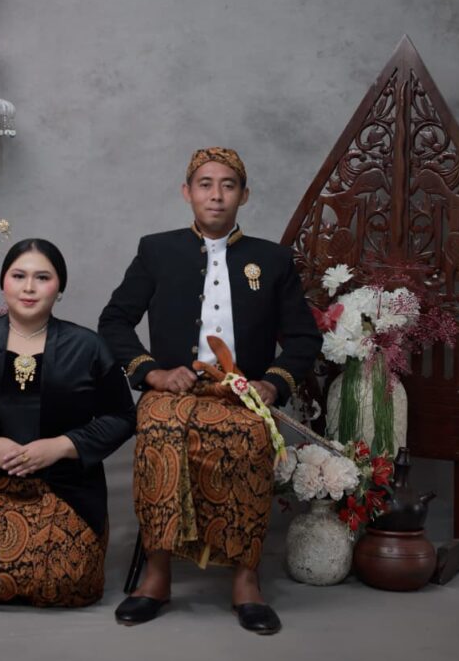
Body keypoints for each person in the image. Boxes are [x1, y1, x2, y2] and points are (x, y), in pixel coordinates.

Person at [99, 148, 322, 633]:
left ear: (244, 195)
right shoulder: (157, 250)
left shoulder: (272, 259)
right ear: (187, 193)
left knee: (249, 438)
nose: (216, 195)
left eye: (227, 185)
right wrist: (153, 374)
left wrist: (272, 383)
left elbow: (304, 338)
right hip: (174, 389)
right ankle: (157, 574)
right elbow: (114, 320)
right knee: (157, 429)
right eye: (205, 184)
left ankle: (246, 579)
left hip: (240, 392)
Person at [0, 238, 136, 608]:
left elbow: (123, 416)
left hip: (64, 488)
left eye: (42, 277)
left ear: (59, 287)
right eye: (19, 276)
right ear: (3, 282)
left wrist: (61, 446)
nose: (29, 287)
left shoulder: (88, 347)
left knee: (69, 581)